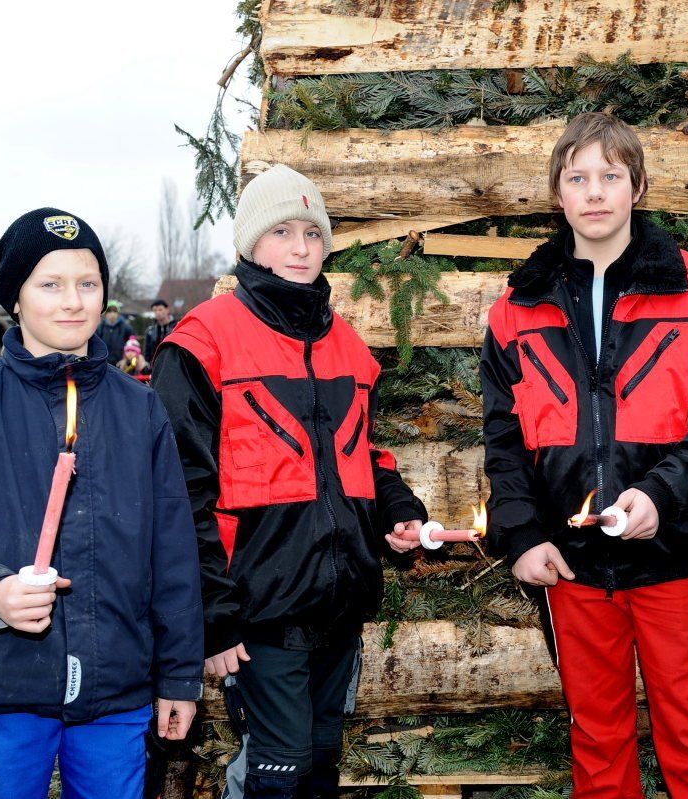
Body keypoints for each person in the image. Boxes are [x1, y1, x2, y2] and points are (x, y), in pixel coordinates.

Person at [0, 208, 204, 799]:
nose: (73, 301)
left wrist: (180, 675)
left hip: (118, 689)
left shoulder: (141, 410)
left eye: (87, 283)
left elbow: (174, 553)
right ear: (16, 297)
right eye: (50, 284)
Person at [481, 112, 688, 799]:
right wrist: (522, 535)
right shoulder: (517, 306)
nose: (595, 192)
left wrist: (661, 494)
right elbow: (504, 441)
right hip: (572, 569)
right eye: (578, 177)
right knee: (598, 748)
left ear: (638, 186)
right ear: (558, 193)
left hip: (674, 559)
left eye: (611, 175)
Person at [152, 165, 428, 799]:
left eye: (313, 233)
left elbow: (361, 456)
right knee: (278, 772)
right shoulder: (202, 343)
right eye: (281, 232)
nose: (301, 248)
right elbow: (178, 494)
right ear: (251, 243)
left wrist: (397, 508)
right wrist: (213, 615)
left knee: (321, 762)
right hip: (258, 614)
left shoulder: (346, 344)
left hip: (339, 607)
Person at [142, 298, 176, 372]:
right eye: (155, 310)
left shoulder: (176, 328)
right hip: (155, 368)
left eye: (160, 309)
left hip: (172, 367)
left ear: (167, 310)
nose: (157, 312)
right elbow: (147, 353)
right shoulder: (150, 331)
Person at [96, 299, 134, 365]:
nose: (112, 314)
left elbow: (132, 346)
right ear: (106, 313)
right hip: (104, 364)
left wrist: (125, 359)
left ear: (118, 313)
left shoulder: (126, 328)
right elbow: (96, 347)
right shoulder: (100, 328)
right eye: (109, 311)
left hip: (121, 365)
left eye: (114, 311)